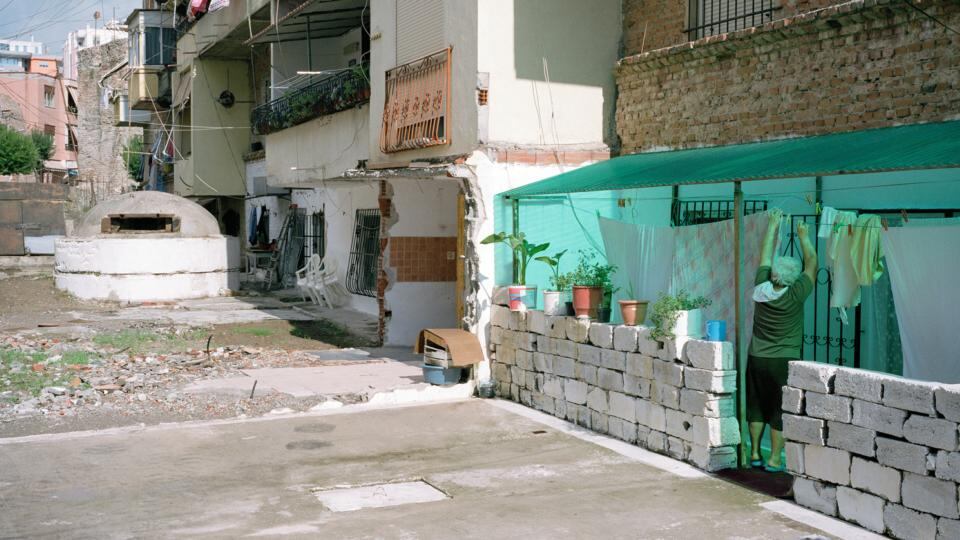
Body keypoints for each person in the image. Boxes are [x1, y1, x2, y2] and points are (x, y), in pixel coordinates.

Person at [747, 209, 816, 472]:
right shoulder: (797, 293)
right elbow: (811, 262)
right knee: (778, 409)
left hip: (757, 357)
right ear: (793, 278)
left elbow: (765, 255)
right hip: (782, 360)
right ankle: (775, 459)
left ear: (774, 274)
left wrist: (773, 225)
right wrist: (803, 236)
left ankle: (754, 453)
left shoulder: (760, 288)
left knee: (756, 405)